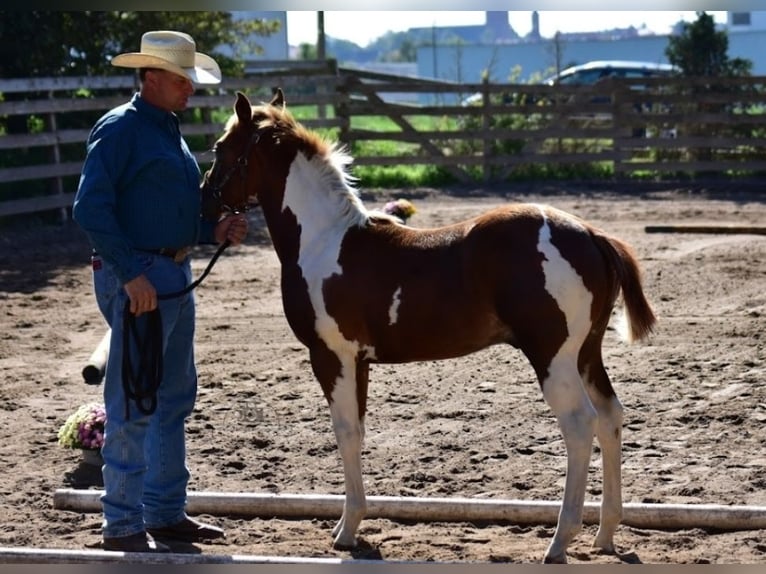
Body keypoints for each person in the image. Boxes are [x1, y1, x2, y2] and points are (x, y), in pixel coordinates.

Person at [72, 30, 248, 553]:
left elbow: (161, 209)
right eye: (181, 78)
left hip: (168, 272)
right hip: (141, 278)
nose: (189, 88)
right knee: (134, 398)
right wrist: (130, 274)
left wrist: (209, 232)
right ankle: (123, 523)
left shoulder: (166, 128)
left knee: (172, 396)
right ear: (151, 78)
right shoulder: (121, 129)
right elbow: (91, 208)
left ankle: (165, 512)